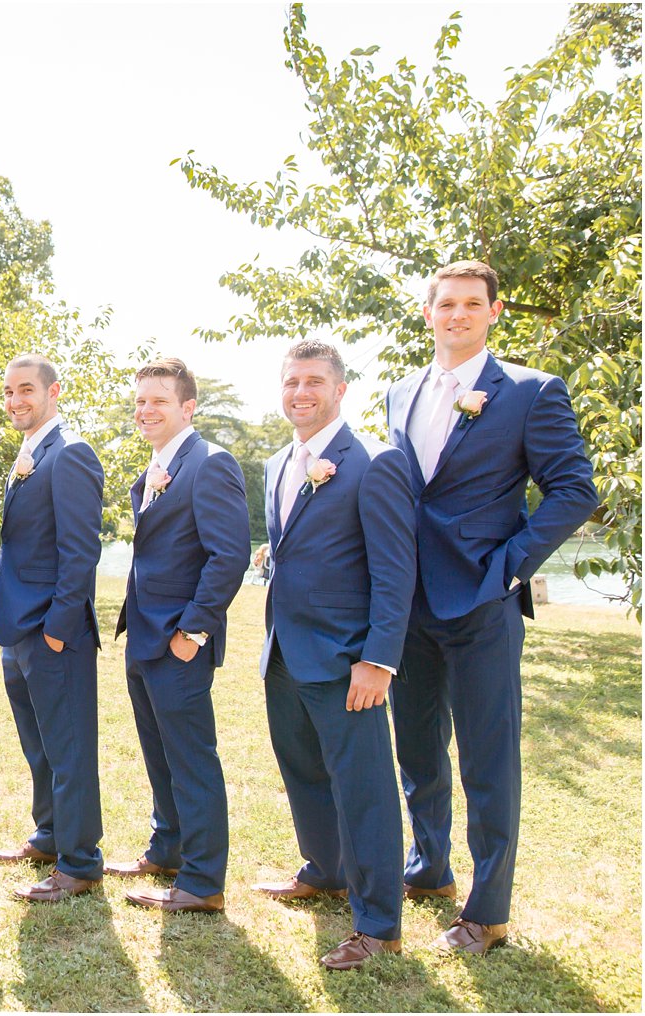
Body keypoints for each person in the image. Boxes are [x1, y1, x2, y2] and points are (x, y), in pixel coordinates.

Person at [385, 260, 598, 954]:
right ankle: (429, 868)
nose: (457, 314)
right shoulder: (400, 393)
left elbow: (573, 490)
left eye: (472, 304)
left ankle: (488, 911)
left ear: (495, 312)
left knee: (487, 759)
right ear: (428, 313)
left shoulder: (532, 392)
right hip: (407, 604)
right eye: (445, 303)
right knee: (417, 749)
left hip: (481, 604)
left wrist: (510, 568)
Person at [255, 340, 415, 971]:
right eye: (292, 381)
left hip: (348, 658)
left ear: (340, 389)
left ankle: (379, 924)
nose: (301, 392)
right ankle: (325, 871)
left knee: (365, 788)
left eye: (314, 382)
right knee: (303, 770)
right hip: (284, 652)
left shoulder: (373, 462)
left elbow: (395, 571)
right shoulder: (276, 463)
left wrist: (378, 659)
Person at [112, 357, 250, 913]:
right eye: (140, 401)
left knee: (191, 758)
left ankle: (201, 880)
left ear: (187, 407)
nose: (145, 411)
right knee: (159, 754)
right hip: (143, 637)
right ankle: (166, 849)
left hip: (178, 642)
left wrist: (191, 631)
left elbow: (229, 556)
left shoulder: (210, 464)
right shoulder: (156, 467)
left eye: (158, 401)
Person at [0, 354, 105, 902]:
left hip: (54, 633)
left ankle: (80, 862)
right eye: (9, 392)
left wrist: (57, 628)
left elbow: (81, 551)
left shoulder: (71, 453)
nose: (15, 401)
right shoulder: (29, 452)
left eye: (26, 390)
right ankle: (50, 835)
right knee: (41, 746)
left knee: (69, 746)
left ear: (53, 392)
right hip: (20, 629)